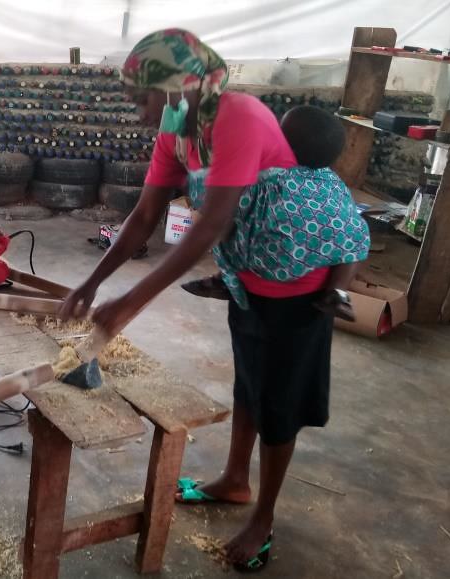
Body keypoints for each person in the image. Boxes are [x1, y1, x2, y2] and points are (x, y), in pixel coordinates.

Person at [60, 29, 369, 571]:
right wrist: (93, 281)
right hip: (248, 277)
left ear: (179, 85)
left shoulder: (240, 117)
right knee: (249, 384)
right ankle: (233, 480)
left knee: (280, 406)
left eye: (142, 98)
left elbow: (209, 226)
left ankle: (264, 517)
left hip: (298, 287)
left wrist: (132, 301)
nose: (139, 114)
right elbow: (145, 217)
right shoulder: (179, 133)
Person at [181, 104, 364, 320]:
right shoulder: (333, 182)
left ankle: (224, 279)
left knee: (229, 224)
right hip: (312, 278)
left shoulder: (264, 175)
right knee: (358, 237)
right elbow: (348, 218)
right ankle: (338, 293)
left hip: (264, 264)